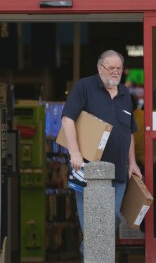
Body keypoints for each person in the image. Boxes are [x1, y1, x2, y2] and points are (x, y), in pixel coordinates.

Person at [61, 50, 142, 260]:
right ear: (100, 69)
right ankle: (93, 254)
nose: (115, 72)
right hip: (87, 169)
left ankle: (89, 248)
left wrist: (132, 162)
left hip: (118, 171)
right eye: (111, 68)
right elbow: (67, 119)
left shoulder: (125, 95)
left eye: (119, 69)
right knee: (91, 221)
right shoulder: (84, 87)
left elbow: (129, 132)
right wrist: (75, 153)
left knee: (112, 217)